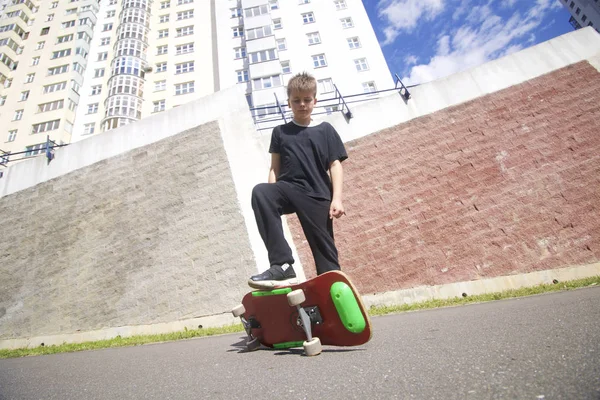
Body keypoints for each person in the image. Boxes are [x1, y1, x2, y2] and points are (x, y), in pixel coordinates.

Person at [248, 72, 348, 289]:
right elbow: (275, 167)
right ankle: (282, 265)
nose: (302, 105)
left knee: (326, 255)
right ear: (289, 103)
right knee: (261, 192)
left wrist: (337, 199)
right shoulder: (280, 132)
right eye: (296, 101)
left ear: (315, 100)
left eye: (307, 100)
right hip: (288, 188)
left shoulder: (325, 130)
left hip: (317, 194)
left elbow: (335, 165)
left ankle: (333, 291)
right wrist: (271, 200)